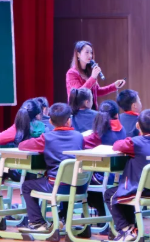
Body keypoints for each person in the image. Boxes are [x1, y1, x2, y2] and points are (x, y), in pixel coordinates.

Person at [18, 103, 85, 232]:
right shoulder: (79, 137)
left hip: (56, 187)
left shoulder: (47, 138)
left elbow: (22, 146)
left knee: (26, 186)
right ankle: (64, 219)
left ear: (50, 121)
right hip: (80, 186)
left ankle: (37, 223)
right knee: (68, 178)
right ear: (69, 120)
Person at [104, 110, 150, 241]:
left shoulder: (135, 143)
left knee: (110, 194)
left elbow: (117, 145)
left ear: (138, 125)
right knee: (121, 192)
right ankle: (133, 229)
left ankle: (125, 229)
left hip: (139, 190)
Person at [65, 41, 126, 110]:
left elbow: (98, 91)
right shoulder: (71, 73)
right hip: (78, 111)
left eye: (91, 52)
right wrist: (93, 77)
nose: (90, 55)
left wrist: (114, 86)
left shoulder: (89, 71)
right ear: (78, 54)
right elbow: (79, 94)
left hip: (92, 110)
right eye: (87, 52)